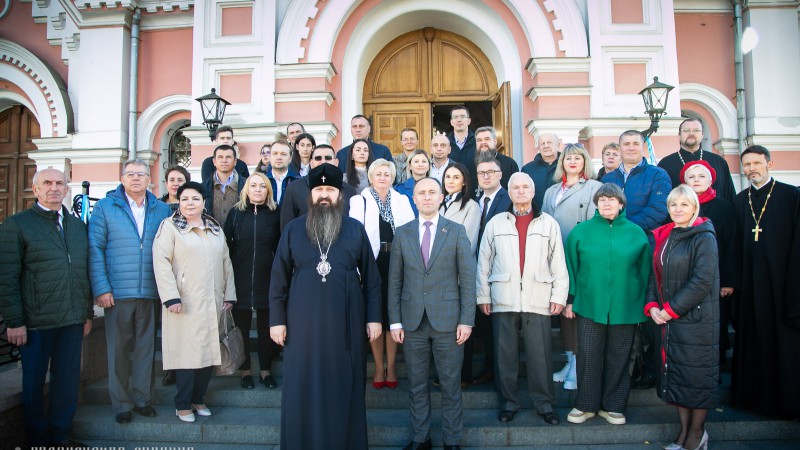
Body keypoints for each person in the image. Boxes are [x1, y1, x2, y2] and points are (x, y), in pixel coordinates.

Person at [270, 164, 382, 450]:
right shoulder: (294, 229)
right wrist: (276, 320)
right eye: (319, 190)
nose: (324, 195)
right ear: (310, 194)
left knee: (343, 385)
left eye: (329, 190)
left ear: (339, 195)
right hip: (301, 324)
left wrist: (373, 319)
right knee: (301, 386)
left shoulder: (355, 229)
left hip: (346, 324)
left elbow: (372, 278)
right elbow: (278, 277)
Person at [0, 168, 93, 448]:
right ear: (35, 189)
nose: (54, 188)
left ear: (67, 189)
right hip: (36, 322)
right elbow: (7, 276)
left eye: (59, 183)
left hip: (72, 319)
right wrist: (14, 320)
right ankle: (38, 439)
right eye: (47, 183)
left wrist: (86, 312)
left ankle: (61, 435)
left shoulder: (77, 226)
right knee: (34, 383)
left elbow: (83, 271)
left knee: (66, 381)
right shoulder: (17, 225)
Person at [388, 177, 476, 450]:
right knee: (416, 385)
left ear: (441, 198)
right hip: (412, 322)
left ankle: (452, 440)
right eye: (421, 193)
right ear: (414, 199)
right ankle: (420, 438)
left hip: (449, 321)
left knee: (450, 385)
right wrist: (394, 321)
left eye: (432, 193)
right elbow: (394, 281)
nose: (426, 197)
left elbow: (468, 279)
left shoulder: (457, 231)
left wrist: (467, 320)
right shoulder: (402, 233)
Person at [477, 172, 568, 426]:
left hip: (537, 295)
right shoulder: (496, 222)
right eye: (515, 187)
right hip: (503, 296)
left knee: (540, 355)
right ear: (509, 191)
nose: (520, 191)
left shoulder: (548, 223)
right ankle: (508, 403)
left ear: (532, 191)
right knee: (505, 355)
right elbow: (483, 261)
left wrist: (559, 296)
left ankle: (545, 404)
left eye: (524, 187)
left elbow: (558, 262)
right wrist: (482, 294)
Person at [88, 159, 172, 424]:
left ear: (150, 179)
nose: (136, 178)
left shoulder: (161, 209)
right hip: (117, 292)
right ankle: (122, 403)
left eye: (141, 174)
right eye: (131, 174)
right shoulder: (105, 207)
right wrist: (101, 288)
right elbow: (95, 249)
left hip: (150, 290)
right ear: (122, 178)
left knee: (147, 349)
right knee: (118, 351)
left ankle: (143, 399)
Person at [564, 183, 651, 426]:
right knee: (588, 355)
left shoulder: (636, 233)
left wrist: (645, 303)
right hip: (589, 304)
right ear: (596, 203)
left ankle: (613, 406)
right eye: (602, 199)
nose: (606, 203)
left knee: (620, 356)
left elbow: (645, 272)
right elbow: (571, 268)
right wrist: (570, 299)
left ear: (621, 204)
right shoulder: (581, 232)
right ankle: (585, 405)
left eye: (612, 200)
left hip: (627, 305)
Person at [153, 181, 236, 423]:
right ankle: (182, 404)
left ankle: (199, 398)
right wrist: (170, 297)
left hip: (212, 300)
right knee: (186, 355)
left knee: (208, 352)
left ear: (203, 202)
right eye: (185, 199)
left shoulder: (214, 227)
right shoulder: (170, 227)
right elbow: (161, 262)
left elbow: (226, 262)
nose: (190, 203)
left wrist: (228, 294)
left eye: (195, 199)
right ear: (179, 203)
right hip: (183, 302)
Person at [645, 185, 719, 450]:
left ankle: (697, 435)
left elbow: (702, 281)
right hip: (669, 319)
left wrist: (671, 309)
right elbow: (656, 274)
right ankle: (683, 433)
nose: (678, 209)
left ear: (694, 207)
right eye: (673, 205)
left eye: (684, 205)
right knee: (677, 376)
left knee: (696, 379)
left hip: (696, 320)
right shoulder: (667, 234)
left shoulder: (703, 236)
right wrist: (653, 305)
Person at [731, 145, 800, 417]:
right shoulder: (739, 200)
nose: (751, 169)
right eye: (746, 165)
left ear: (769, 163)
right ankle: (750, 396)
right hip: (750, 282)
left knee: (782, 341)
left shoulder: (791, 196)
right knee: (751, 336)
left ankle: (785, 400)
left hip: (782, 281)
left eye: (756, 163)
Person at [541, 143, 602, 391]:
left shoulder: (593, 188)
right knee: (563, 313)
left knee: (577, 312)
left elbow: (593, 226)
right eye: (568, 158)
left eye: (578, 158)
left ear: (585, 161)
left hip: (579, 258)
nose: (573, 162)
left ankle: (580, 366)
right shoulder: (551, 191)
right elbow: (544, 222)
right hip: (554, 259)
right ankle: (569, 361)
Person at [350, 158, 414, 390]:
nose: (383, 178)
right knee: (375, 314)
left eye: (387, 174)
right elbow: (355, 234)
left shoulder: (402, 200)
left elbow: (411, 232)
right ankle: (379, 366)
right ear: (371, 176)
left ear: (393, 177)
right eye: (378, 174)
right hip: (372, 262)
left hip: (396, 261)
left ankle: (393, 366)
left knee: (392, 315)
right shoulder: (360, 200)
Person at [224, 173, 281, 390]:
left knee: (267, 329)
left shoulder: (276, 214)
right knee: (242, 329)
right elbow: (226, 250)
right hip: (240, 281)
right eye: (253, 186)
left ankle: (266, 370)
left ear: (268, 190)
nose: (257, 190)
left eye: (262, 186)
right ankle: (245, 370)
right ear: (246, 189)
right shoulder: (235, 214)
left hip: (268, 282)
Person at [681, 161, 739, 363]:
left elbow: (732, 244)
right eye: (691, 177)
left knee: (715, 324)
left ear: (711, 180)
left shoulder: (724, 207)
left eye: (701, 176)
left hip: (716, 278)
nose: (696, 180)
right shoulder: (678, 205)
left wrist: (728, 280)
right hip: (685, 278)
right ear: (685, 181)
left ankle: (717, 362)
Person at [469, 156, 511, 386]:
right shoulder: (476, 201)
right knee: (485, 325)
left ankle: (498, 373)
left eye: (490, 172)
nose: (485, 176)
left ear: (500, 174)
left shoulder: (508, 199)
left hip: (502, 269)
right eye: (481, 172)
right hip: (480, 270)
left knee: (499, 327)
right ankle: (488, 369)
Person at [601, 130, 672, 231]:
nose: (631, 148)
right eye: (626, 144)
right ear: (620, 149)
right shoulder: (607, 179)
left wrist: (627, 227)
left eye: (636, 144)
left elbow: (658, 209)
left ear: (643, 148)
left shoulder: (658, 175)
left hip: (644, 238)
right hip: (612, 237)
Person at [280, 144, 357, 231]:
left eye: (328, 158)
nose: (323, 161)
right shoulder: (294, 189)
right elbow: (286, 226)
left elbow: (353, 226)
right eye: (318, 158)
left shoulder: (350, 190)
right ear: (311, 163)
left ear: (336, 162)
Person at [658, 118, 737, 203]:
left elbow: (729, 195)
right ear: (679, 135)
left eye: (696, 130)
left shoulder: (719, 162)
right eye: (686, 130)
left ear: (702, 134)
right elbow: (660, 198)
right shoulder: (665, 164)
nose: (691, 133)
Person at [440, 163, 481, 255]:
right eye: (447, 177)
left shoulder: (472, 206)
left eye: (456, 177)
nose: (450, 181)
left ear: (464, 182)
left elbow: (467, 244)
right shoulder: (439, 204)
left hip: (456, 264)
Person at [202, 144, 247, 228]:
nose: (224, 160)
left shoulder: (246, 186)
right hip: (212, 237)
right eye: (220, 157)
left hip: (238, 237)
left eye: (228, 157)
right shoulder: (203, 187)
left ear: (235, 161)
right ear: (214, 162)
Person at [521, 132, 561, 208]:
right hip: (537, 215)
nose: (546, 146)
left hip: (562, 214)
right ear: (538, 147)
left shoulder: (566, 166)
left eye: (549, 142)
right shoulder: (527, 169)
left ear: (558, 145)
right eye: (542, 143)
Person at [474, 126, 518, 190]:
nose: (483, 142)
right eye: (479, 140)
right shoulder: (469, 164)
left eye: (487, 139)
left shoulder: (510, 164)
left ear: (495, 141)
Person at [447, 106, 477, 191]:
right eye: (455, 117)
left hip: (474, 190)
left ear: (469, 121)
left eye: (463, 117)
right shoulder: (444, 144)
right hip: (451, 192)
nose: (459, 120)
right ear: (451, 122)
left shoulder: (478, 141)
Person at [395, 149, 431, 217]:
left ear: (429, 166)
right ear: (410, 166)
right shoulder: (399, 189)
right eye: (416, 161)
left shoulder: (437, 187)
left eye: (424, 161)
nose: (420, 164)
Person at [264, 139, 300, 205]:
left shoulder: (299, 182)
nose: (279, 157)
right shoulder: (262, 181)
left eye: (283, 154)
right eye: (275, 153)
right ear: (270, 157)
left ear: (290, 158)